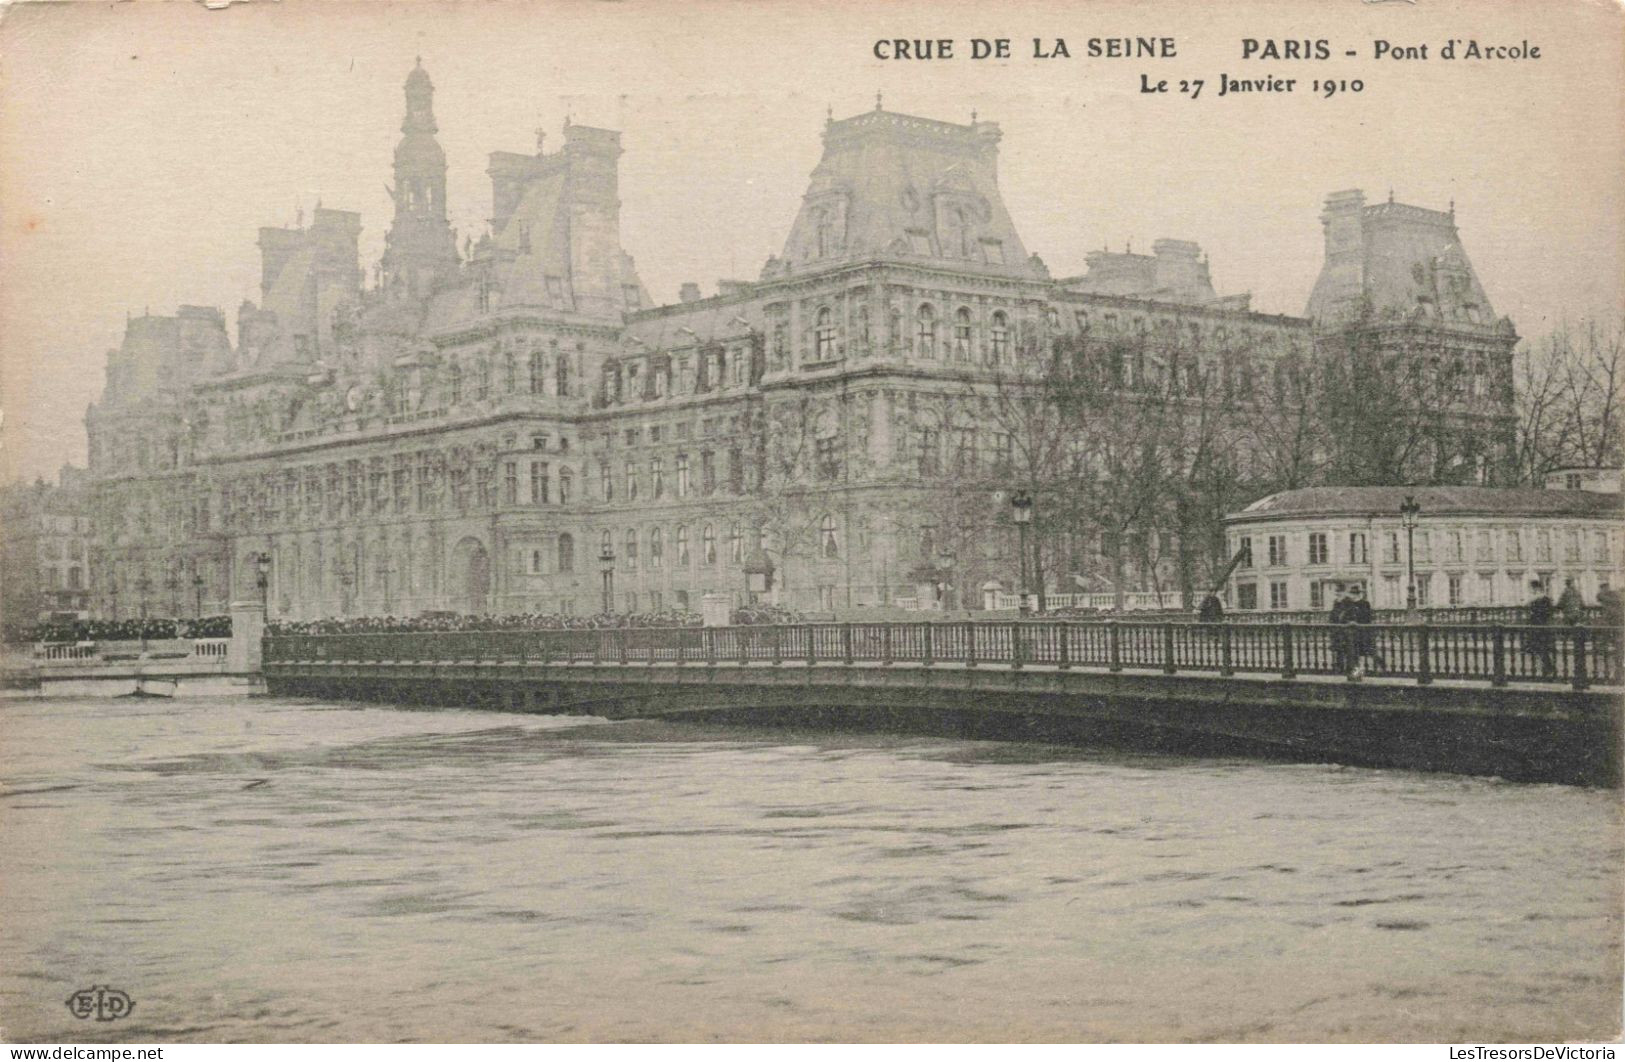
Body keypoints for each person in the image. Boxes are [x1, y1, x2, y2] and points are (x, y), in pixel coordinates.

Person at [1345, 584, 1382, 675]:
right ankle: (1359, 671)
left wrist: (1357, 622)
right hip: (1354, 632)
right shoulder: (1350, 605)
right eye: (1351, 594)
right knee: (1357, 653)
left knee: (1370, 651)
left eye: (1354, 594)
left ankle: (1380, 666)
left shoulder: (1365, 604)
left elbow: (1367, 618)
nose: (1352, 596)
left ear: (1358, 595)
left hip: (1364, 632)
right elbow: (1347, 616)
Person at [1525, 579, 1556, 678]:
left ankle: (1547, 668)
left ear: (1535, 588)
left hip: (1538, 626)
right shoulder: (1545, 598)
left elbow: (1529, 606)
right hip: (1543, 626)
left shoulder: (1538, 598)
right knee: (1541, 648)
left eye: (1531, 588)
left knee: (1540, 648)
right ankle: (1547, 668)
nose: (1531, 590)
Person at [1328, 584, 1352, 673]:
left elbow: (1349, 614)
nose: (1338, 593)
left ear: (1344, 592)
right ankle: (1339, 667)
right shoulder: (1336, 602)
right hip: (1336, 629)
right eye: (1337, 592)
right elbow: (1333, 614)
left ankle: (1348, 668)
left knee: (1346, 649)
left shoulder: (1348, 601)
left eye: (1340, 592)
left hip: (1345, 629)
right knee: (1338, 649)